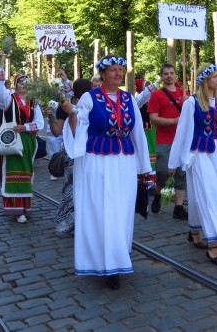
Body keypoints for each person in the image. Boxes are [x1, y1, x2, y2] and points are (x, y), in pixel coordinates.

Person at [62, 55, 151, 290]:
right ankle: (105, 262)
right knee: (102, 209)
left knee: (121, 209)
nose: (118, 73)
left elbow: (138, 133)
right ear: (103, 73)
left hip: (124, 161)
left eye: (121, 70)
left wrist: (144, 168)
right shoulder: (89, 98)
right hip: (97, 161)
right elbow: (78, 129)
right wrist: (71, 113)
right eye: (113, 70)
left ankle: (118, 256)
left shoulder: (129, 98)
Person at [169, 64, 217, 265]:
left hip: (216, 154)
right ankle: (213, 243)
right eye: (214, 77)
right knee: (209, 193)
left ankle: (195, 228)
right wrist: (174, 161)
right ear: (204, 80)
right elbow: (182, 132)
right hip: (198, 154)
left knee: (206, 193)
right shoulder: (192, 103)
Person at [0, 63, 44, 223]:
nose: (24, 85)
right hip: (11, 141)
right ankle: (16, 209)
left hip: (28, 141)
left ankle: (25, 207)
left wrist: (25, 126)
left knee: (26, 174)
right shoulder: (9, 98)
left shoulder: (33, 102)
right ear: (16, 85)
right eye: (21, 82)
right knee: (13, 173)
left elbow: (39, 122)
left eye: (26, 82)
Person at [148, 63, 189, 219]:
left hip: (182, 139)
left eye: (171, 73)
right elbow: (153, 118)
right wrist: (173, 121)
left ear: (175, 75)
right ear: (162, 76)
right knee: (163, 171)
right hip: (165, 139)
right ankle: (159, 192)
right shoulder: (157, 95)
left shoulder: (183, 93)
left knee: (181, 172)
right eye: (165, 74)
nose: (169, 76)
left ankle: (178, 207)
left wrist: (188, 103)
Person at [53, 78, 92, 235]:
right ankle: (81, 222)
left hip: (75, 151)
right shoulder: (68, 106)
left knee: (71, 188)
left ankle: (70, 222)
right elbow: (57, 131)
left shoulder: (71, 105)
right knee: (81, 187)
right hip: (81, 152)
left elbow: (56, 131)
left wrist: (50, 118)